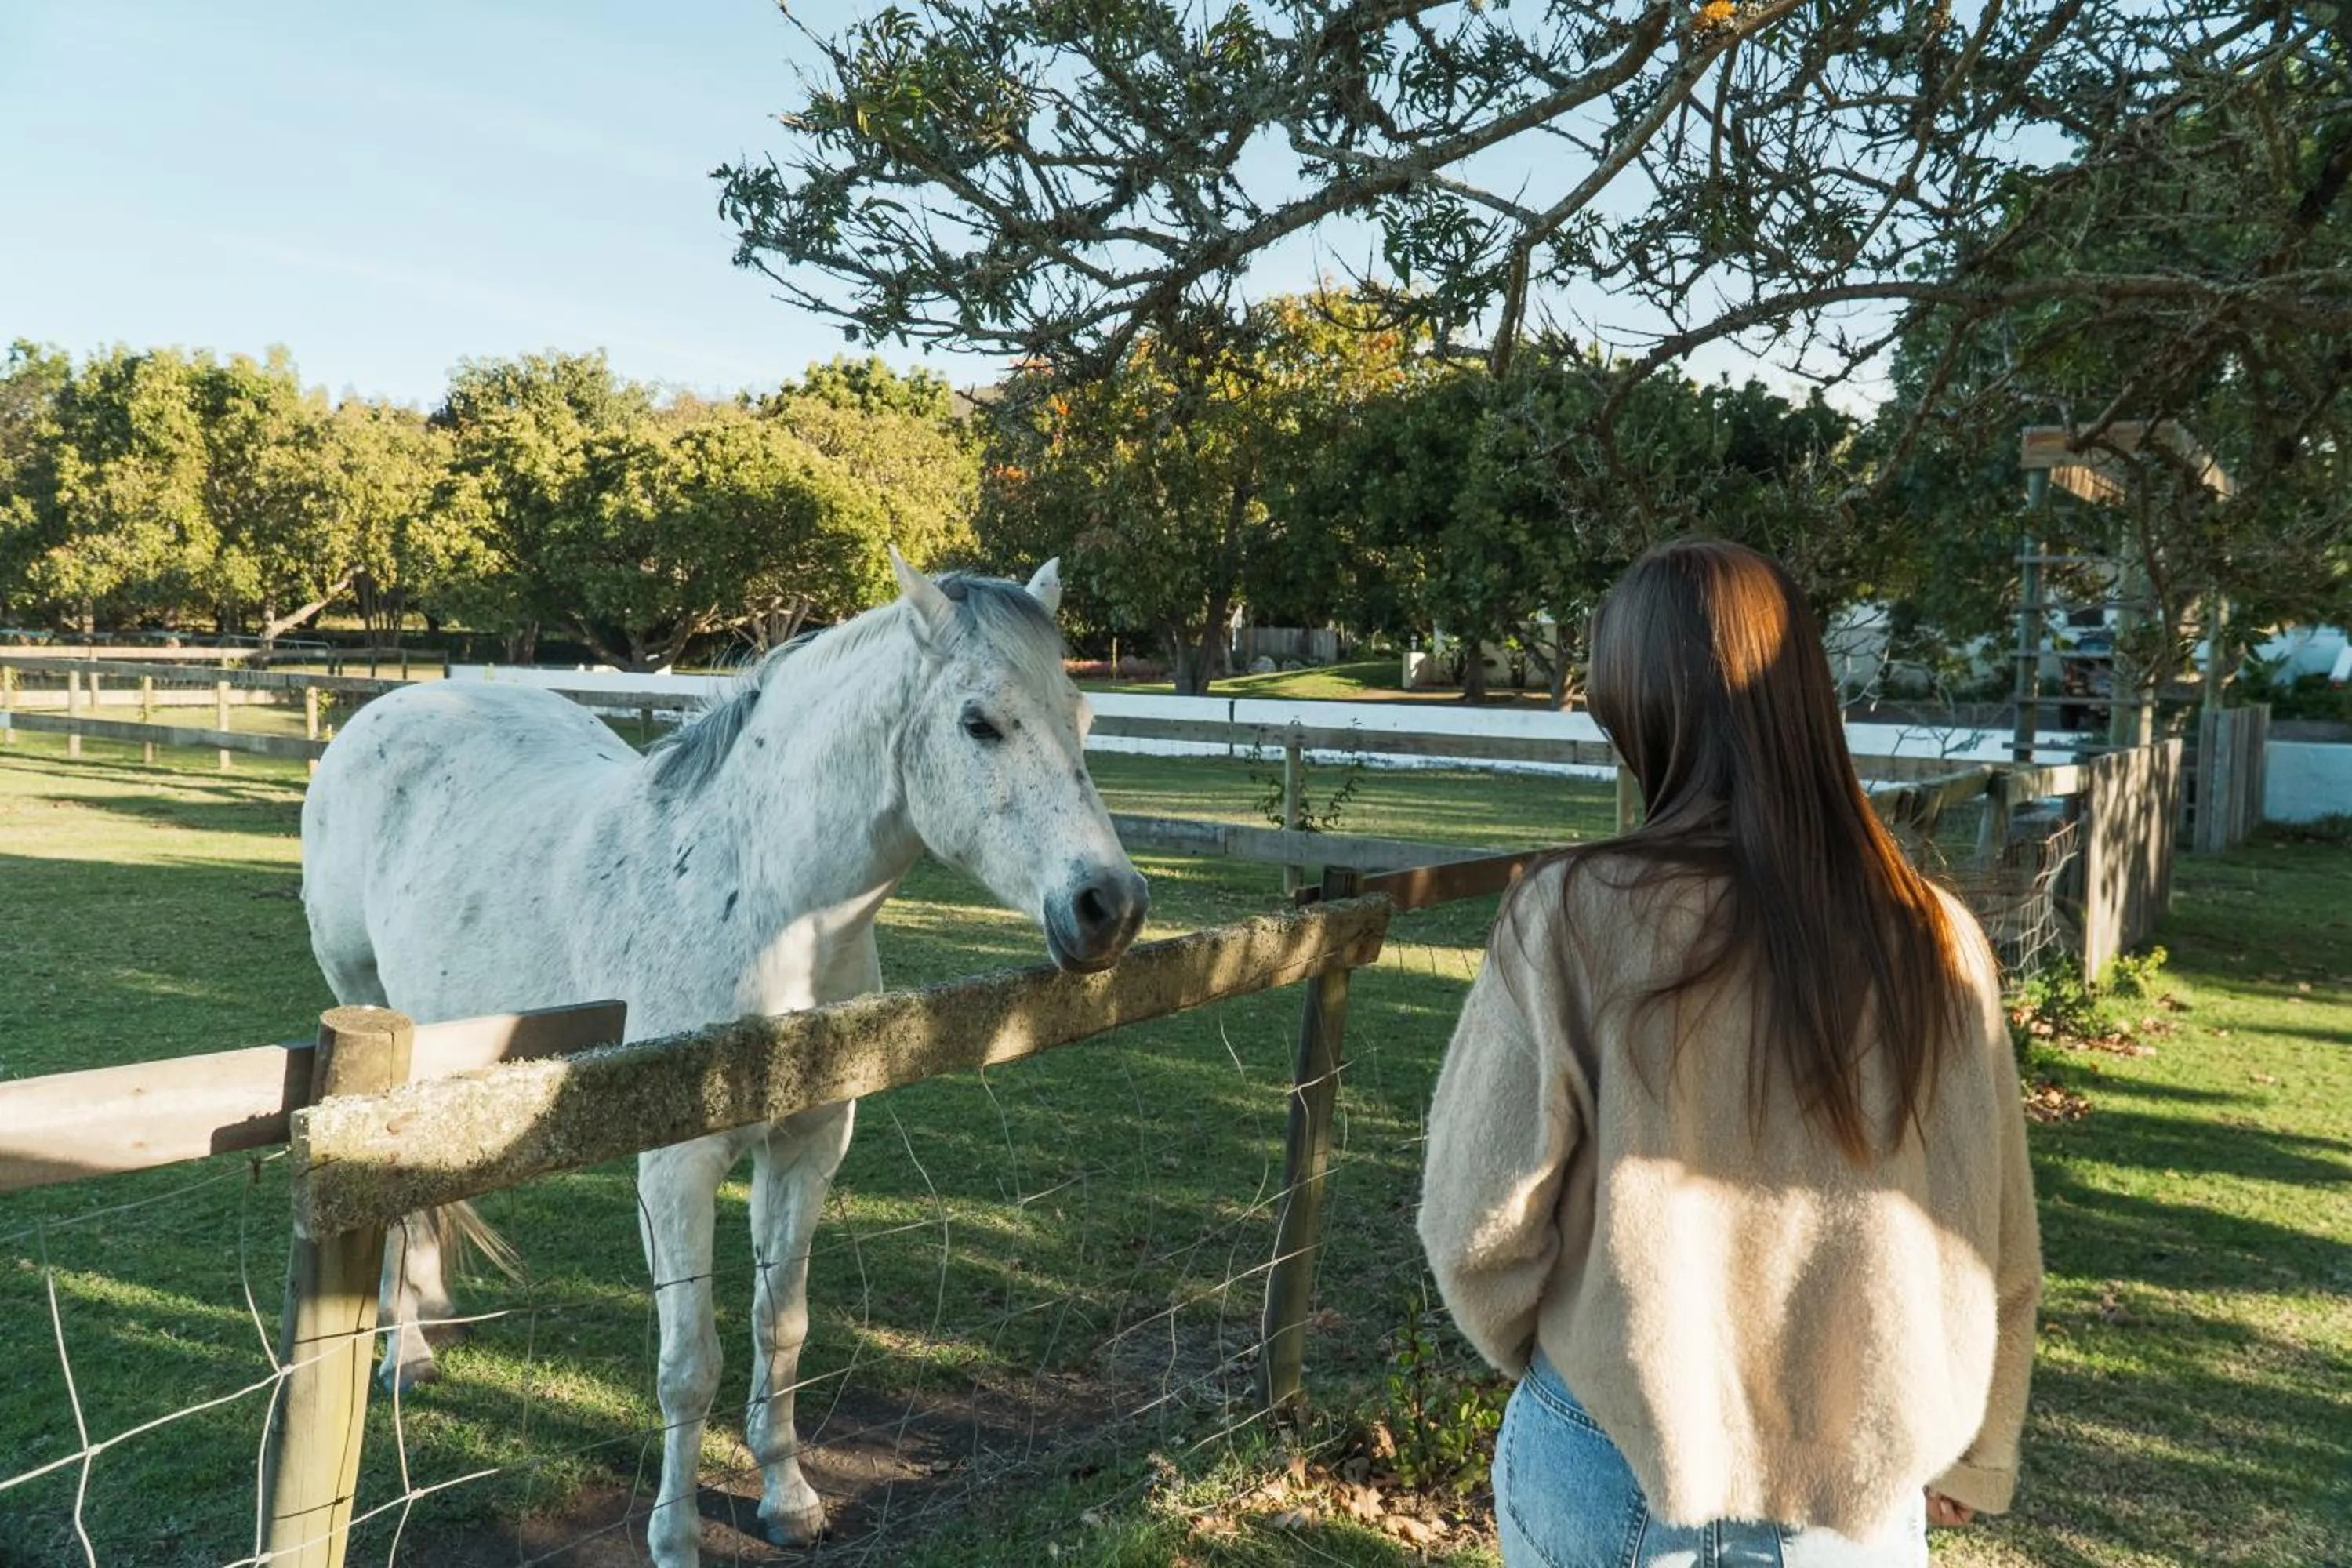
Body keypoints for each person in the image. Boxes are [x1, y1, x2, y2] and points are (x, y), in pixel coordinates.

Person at [1417, 539, 2041, 1566]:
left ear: (1641, 713)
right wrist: (1974, 1450)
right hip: (1859, 1505)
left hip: (1610, 1465)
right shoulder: (1935, 935)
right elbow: (1995, 1233)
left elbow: (1478, 1224)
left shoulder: (1570, 917)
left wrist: (1564, 1362)